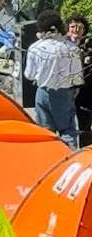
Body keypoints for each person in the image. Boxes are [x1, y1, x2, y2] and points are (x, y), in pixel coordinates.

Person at [25, 10, 84, 147]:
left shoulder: (35, 48)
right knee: (68, 131)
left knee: (45, 132)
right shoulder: (72, 49)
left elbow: (29, 75)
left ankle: (48, 160)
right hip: (64, 94)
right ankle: (69, 160)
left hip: (43, 93)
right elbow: (77, 77)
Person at [67, 14, 92, 143]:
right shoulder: (61, 45)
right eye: (73, 27)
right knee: (66, 127)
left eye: (80, 28)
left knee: (85, 127)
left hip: (85, 93)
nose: (76, 30)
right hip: (66, 92)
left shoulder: (89, 45)